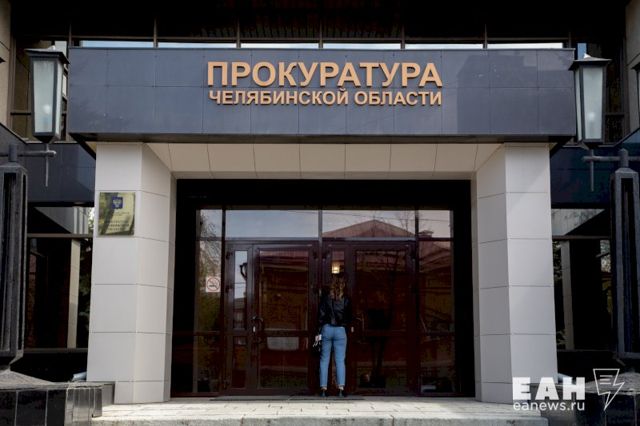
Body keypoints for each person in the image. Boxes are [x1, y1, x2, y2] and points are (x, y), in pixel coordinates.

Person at [318, 272, 352, 397]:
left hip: (327, 329)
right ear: (343, 285)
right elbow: (349, 317)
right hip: (340, 330)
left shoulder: (326, 297)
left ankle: (323, 389)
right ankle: (341, 389)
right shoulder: (346, 299)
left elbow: (321, 315)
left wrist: (320, 328)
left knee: (324, 359)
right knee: (340, 360)